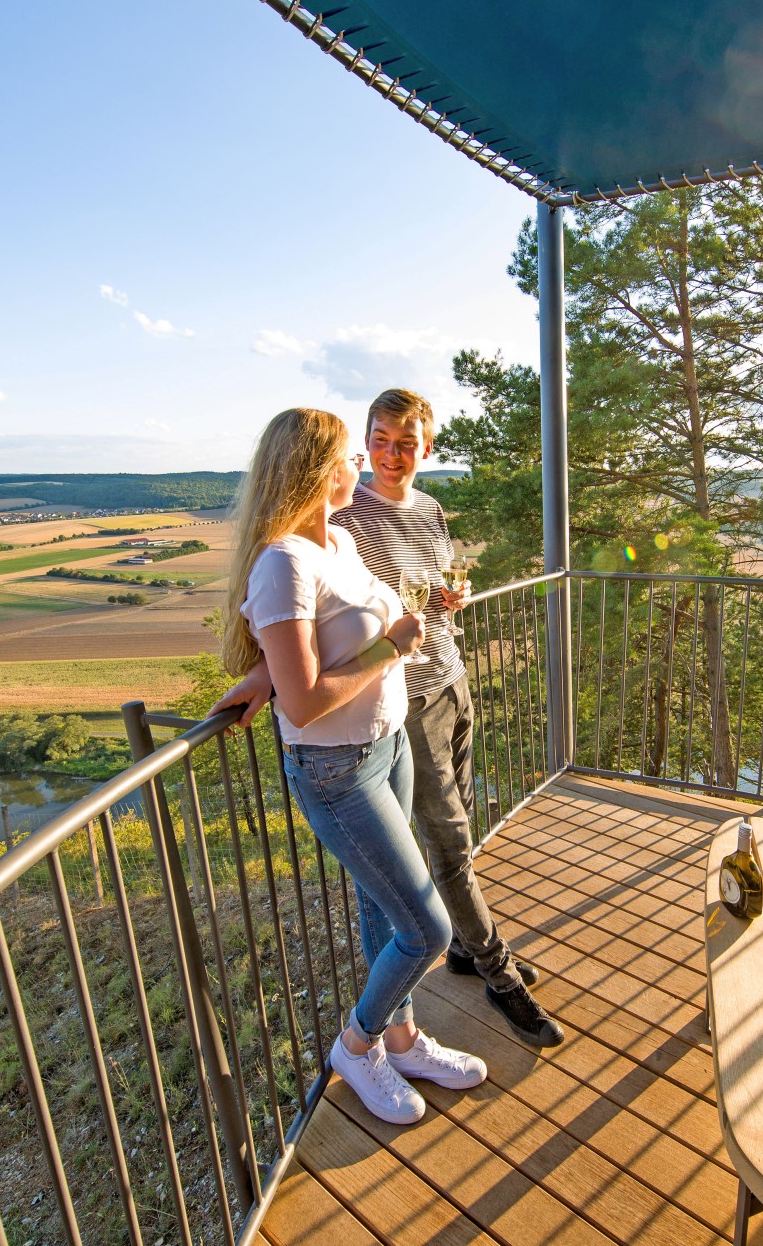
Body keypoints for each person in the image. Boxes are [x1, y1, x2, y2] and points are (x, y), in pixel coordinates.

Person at [220, 390, 565, 1048]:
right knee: (445, 863)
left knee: (449, 840)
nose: (383, 455)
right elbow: (312, 623)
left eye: (404, 443)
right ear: (325, 469)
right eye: (371, 442)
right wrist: (275, 673)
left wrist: (446, 598)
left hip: (433, 691)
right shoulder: (339, 525)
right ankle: (486, 975)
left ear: (426, 449)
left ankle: (435, 992)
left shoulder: (380, 524)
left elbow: (353, 610)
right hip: (364, 732)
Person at [220, 406, 488, 1126]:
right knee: (427, 929)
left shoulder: (336, 540)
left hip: (388, 745)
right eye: (349, 456)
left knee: (384, 909)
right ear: (317, 469)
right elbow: (305, 704)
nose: (360, 467)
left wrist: (270, 672)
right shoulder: (282, 562)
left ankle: (400, 1040)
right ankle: (357, 1043)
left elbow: (343, 631)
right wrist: (389, 652)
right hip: (338, 770)